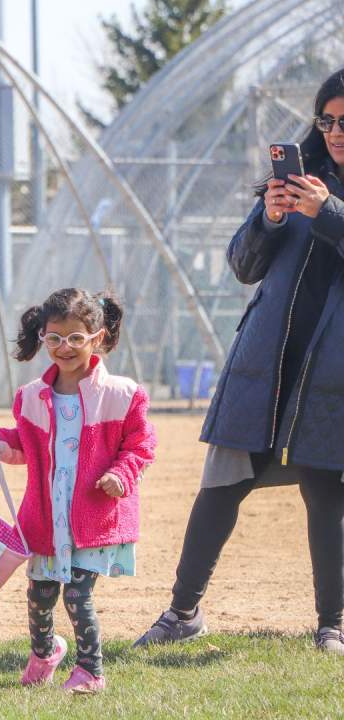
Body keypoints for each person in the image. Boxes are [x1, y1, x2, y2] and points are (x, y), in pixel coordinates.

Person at [136, 68, 344, 654]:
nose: (332, 131)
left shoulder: (326, 195)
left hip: (330, 374)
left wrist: (328, 212)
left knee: (327, 490)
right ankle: (182, 613)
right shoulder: (303, 174)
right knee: (222, 483)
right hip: (266, 362)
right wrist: (272, 216)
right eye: (326, 120)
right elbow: (243, 264)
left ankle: (333, 623)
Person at [0, 289, 155, 694]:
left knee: (77, 593)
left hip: (92, 517)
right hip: (47, 519)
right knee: (39, 595)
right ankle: (45, 652)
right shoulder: (32, 397)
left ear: (98, 337)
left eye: (75, 338)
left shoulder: (123, 395)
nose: (64, 348)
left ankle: (91, 671)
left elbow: (141, 447)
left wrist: (120, 476)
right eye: (54, 338)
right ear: (42, 338)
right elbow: (25, 445)